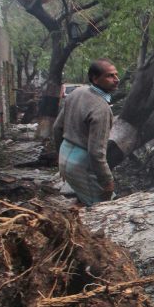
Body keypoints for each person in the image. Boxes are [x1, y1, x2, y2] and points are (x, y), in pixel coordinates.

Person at [53, 59, 120, 206]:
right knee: (102, 207)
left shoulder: (77, 92)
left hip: (65, 154)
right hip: (80, 163)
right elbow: (96, 152)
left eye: (116, 75)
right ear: (95, 78)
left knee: (84, 200)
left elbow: (57, 127)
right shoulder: (101, 108)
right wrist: (107, 181)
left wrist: (61, 161)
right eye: (110, 76)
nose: (116, 80)